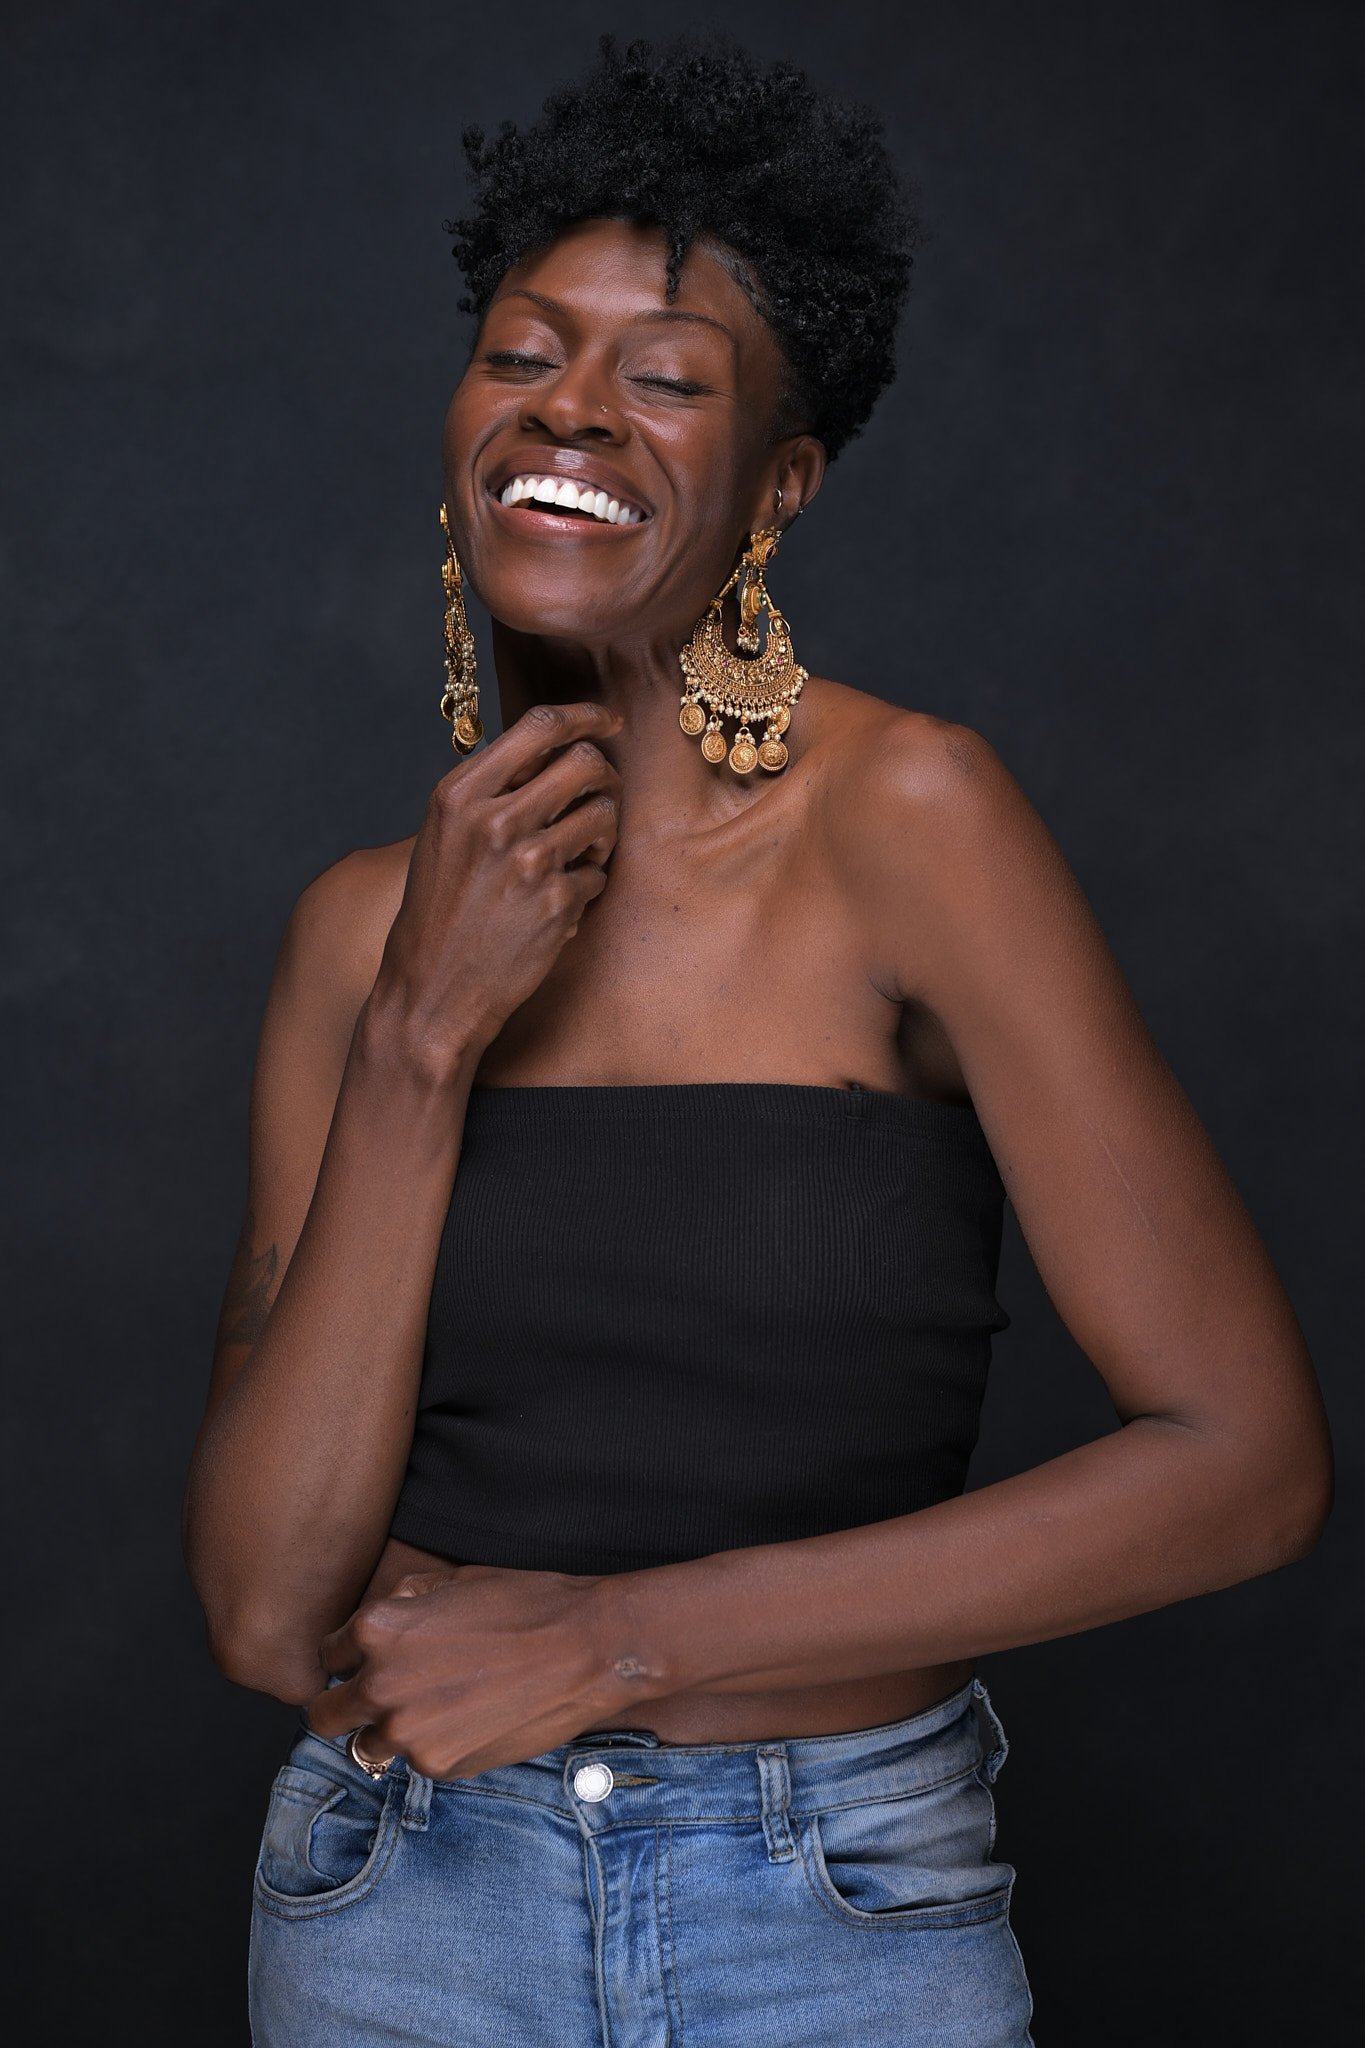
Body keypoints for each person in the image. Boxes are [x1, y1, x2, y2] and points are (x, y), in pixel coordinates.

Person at [181, 31, 1333, 2048]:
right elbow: (269, 1609)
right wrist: (417, 1042)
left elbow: (1240, 1464)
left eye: (667, 378)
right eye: (523, 351)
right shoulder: (359, 930)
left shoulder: (913, 827)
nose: (572, 410)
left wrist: (619, 1637)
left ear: (777, 483)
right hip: (393, 1902)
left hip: (827, 1909)